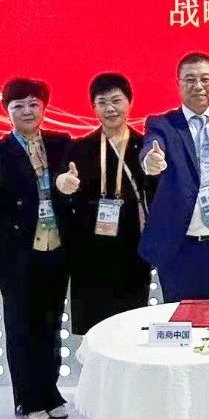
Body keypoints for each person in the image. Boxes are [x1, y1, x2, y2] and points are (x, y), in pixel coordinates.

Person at [0, 77, 74, 419]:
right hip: (16, 251)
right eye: (18, 105)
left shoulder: (60, 142)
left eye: (33, 104)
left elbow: (70, 174)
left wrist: (68, 182)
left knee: (51, 322)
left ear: (44, 107)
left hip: (56, 246)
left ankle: (50, 391)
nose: (26, 111)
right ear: (7, 111)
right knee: (22, 324)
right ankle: (27, 397)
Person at [139, 53, 209, 301]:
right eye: (190, 80)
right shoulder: (162, 123)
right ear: (178, 84)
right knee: (178, 319)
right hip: (177, 246)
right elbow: (151, 146)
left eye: (205, 79)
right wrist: (151, 161)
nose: (198, 86)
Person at [54, 73, 155, 335]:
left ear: (130, 102)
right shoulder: (80, 148)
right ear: (93, 107)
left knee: (131, 329)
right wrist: (63, 184)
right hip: (90, 253)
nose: (110, 108)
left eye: (116, 100)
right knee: (94, 332)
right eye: (102, 102)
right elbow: (63, 183)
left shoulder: (145, 148)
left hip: (133, 251)